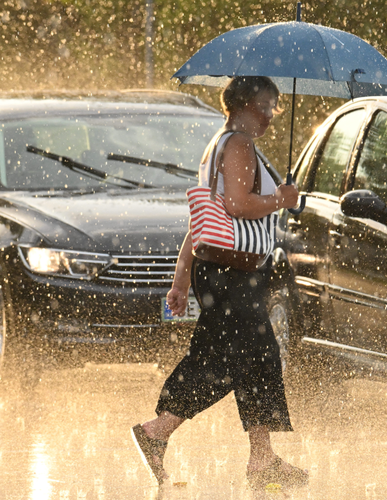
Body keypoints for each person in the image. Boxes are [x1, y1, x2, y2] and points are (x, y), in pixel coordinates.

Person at [131, 76, 307, 491]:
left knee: (253, 357)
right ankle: (157, 431)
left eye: (274, 107)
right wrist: (282, 200)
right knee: (229, 358)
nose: (270, 115)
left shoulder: (220, 144)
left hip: (223, 272)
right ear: (244, 103)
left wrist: (181, 279)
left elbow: (201, 223)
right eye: (266, 105)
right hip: (233, 275)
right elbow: (237, 205)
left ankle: (261, 459)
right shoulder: (239, 145)